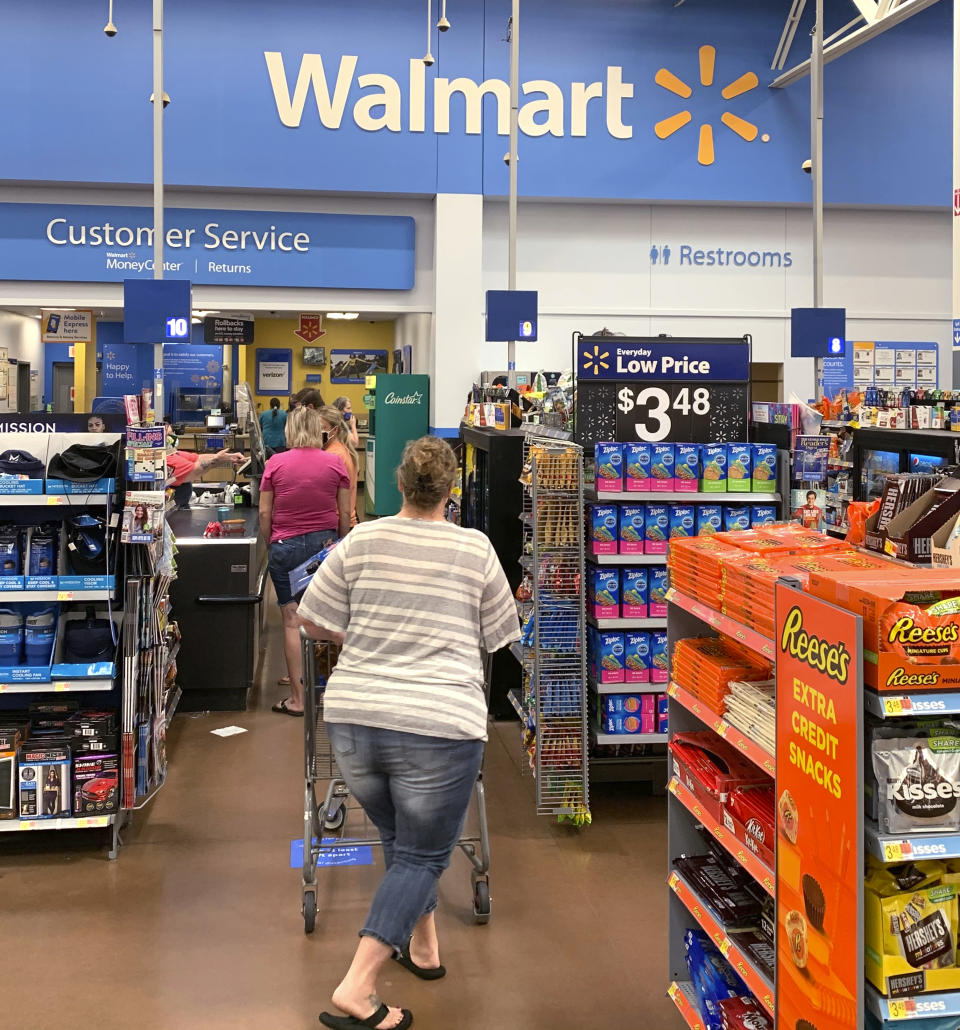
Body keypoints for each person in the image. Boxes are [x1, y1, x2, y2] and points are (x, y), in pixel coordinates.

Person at [298, 436, 520, 1030]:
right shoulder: (474, 549)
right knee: (424, 853)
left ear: (399, 483)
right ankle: (358, 985)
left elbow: (313, 619)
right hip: (439, 726)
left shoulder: (362, 539)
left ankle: (423, 947)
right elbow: (501, 632)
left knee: (400, 838)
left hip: (355, 724)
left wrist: (368, 636)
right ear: (452, 492)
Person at [260, 407, 350, 716]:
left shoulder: (275, 463)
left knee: (292, 620)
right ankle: (328, 692)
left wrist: (270, 542)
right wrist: (338, 546)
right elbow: (343, 513)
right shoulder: (335, 463)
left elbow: (264, 513)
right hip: (322, 547)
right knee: (325, 618)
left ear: (289, 430)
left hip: (284, 546)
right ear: (317, 429)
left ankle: (298, 700)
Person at [165, 422, 245, 508]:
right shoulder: (167, 461)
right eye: (168, 435)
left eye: (172, 433)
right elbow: (195, 471)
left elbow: (198, 458)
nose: (173, 437)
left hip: (181, 506)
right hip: (172, 513)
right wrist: (217, 458)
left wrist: (229, 457)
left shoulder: (173, 454)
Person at [318, 406, 359, 527]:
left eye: (322, 428)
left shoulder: (334, 455)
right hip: (343, 521)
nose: (317, 433)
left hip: (337, 523)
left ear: (334, 430)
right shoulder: (341, 449)